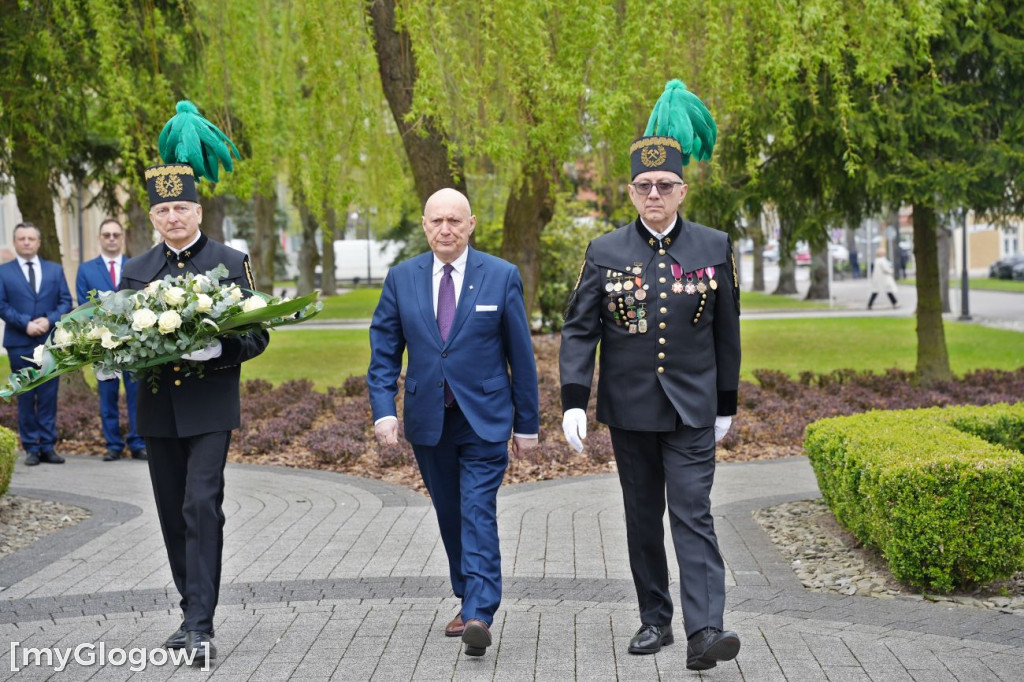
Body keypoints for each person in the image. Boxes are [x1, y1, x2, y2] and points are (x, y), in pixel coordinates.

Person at [559, 80, 742, 671]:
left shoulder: (714, 247)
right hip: (630, 409)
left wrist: (726, 405)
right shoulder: (605, 251)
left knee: (694, 513)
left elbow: (726, 333)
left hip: (691, 411)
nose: (655, 194)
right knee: (642, 520)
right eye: (645, 186)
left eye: (665, 185)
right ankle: (654, 620)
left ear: (682, 189)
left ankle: (706, 630)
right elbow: (580, 329)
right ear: (631, 191)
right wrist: (572, 400)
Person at [120, 102, 268, 665]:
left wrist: (220, 346)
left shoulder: (230, 262)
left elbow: (257, 338)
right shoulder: (136, 270)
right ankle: (190, 609)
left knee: (202, 506)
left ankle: (200, 625)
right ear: (153, 216)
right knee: (169, 511)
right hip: (157, 411)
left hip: (209, 406)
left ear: (198, 209)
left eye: (181, 207)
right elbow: (122, 334)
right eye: (163, 210)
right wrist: (113, 358)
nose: (173, 218)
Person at [367, 188, 539, 658]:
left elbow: (520, 356)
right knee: (449, 513)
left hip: (484, 420)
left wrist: (527, 425)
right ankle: (468, 596)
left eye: (454, 221)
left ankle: (481, 612)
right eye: (437, 221)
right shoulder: (402, 278)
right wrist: (384, 410)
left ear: (471, 224)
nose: (446, 229)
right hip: (428, 420)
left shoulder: (500, 276)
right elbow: (383, 352)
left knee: (476, 509)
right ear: (424, 225)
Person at [0, 222, 73, 465]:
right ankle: (31, 447)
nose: (27, 242)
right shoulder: (4, 271)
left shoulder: (54, 270)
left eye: (31, 238)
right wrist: (26, 323)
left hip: (50, 341)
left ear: (39, 242)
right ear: (15, 242)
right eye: (22, 239)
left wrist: (48, 320)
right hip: (19, 341)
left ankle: (48, 446)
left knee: (48, 395)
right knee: (26, 394)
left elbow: (65, 301)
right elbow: (1, 305)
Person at [75, 218, 147, 462]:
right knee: (107, 396)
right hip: (103, 344)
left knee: (137, 394)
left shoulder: (136, 265)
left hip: (135, 342)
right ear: (100, 238)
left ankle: (138, 443)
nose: (112, 239)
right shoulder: (86, 270)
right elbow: (84, 306)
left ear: (122, 237)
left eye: (116, 234)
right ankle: (113, 444)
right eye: (107, 235)